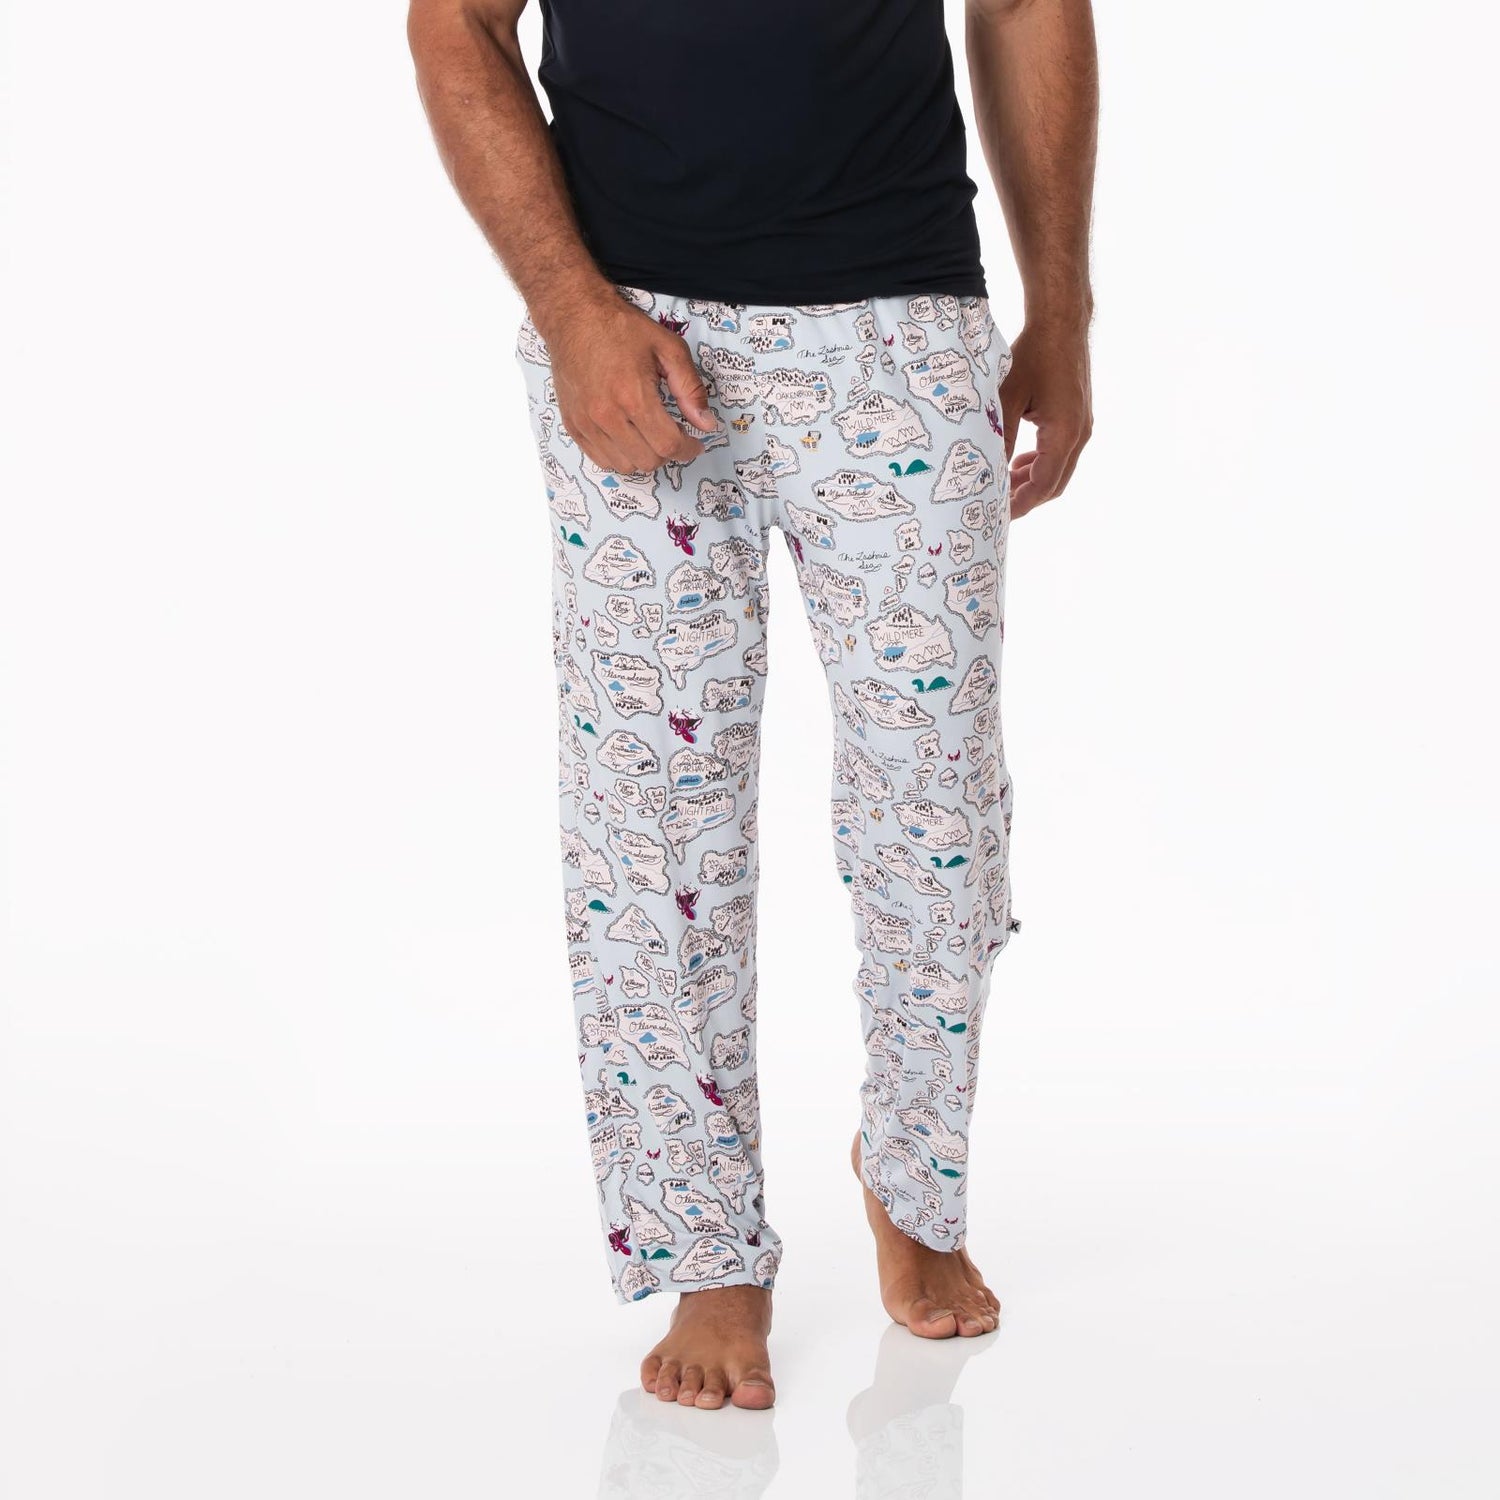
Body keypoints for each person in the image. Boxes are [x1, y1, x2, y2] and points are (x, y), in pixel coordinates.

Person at [407, 0, 1096, 1412]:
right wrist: (572, 311)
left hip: (902, 325)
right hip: (634, 325)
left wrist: (1064, 313)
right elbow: (457, 20)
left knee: (937, 807)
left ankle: (916, 1175)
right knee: (653, 825)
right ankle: (706, 1251)